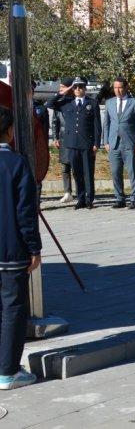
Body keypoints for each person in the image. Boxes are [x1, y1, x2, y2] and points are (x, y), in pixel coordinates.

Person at [0, 106, 41, 390]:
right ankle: (8, 371)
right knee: (13, 309)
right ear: (10, 131)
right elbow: (25, 212)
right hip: (11, 249)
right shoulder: (16, 163)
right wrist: (34, 248)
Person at [45, 77, 101, 209]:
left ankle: (89, 199)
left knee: (88, 172)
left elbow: (97, 125)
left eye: (80, 86)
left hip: (86, 143)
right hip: (71, 144)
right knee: (77, 173)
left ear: (85, 88)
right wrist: (63, 92)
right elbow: (48, 104)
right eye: (75, 87)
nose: (78, 89)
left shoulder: (92, 103)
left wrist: (96, 143)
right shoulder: (66, 103)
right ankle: (80, 198)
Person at [103, 77, 135, 209]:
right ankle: (119, 198)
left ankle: (134, 198)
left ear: (126, 87)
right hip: (114, 143)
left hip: (129, 142)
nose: (117, 90)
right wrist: (106, 141)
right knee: (115, 172)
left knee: (132, 172)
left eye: (120, 87)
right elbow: (106, 124)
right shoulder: (109, 103)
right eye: (115, 87)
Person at [49, 78, 74, 203]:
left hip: (74, 138)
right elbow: (54, 122)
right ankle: (67, 192)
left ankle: (81, 191)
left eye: (63, 87)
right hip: (63, 138)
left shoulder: (75, 101)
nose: (60, 90)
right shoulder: (59, 103)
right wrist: (55, 137)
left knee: (76, 166)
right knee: (65, 167)